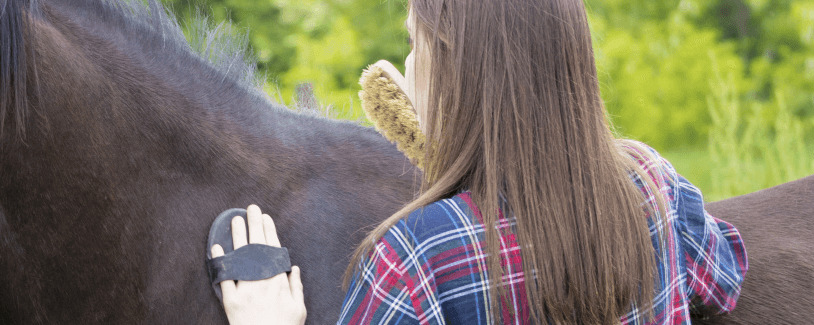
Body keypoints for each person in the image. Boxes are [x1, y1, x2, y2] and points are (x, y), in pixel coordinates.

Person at [208, 0, 748, 324]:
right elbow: (723, 276)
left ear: (451, 70)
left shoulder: (416, 259)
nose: (408, 64)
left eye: (414, 44)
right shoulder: (652, 184)